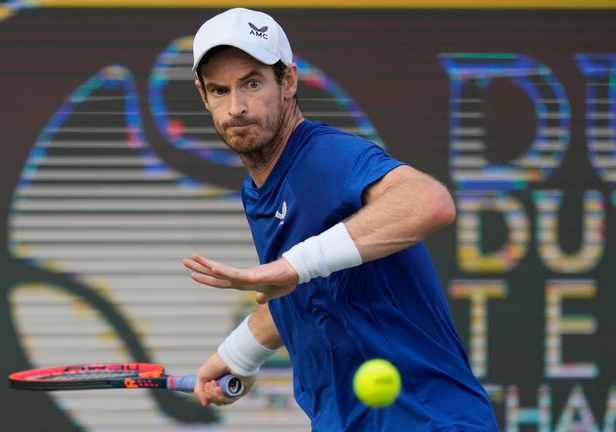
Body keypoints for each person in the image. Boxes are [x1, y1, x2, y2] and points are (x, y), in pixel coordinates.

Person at [182, 7, 498, 431]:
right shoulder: (259, 188)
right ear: (203, 96)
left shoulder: (322, 158)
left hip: (427, 421)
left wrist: (290, 266)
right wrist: (238, 354)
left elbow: (429, 201)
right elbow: (312, 289)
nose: (236, 107)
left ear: (288, 81)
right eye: (220, 91)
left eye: (252, 83)